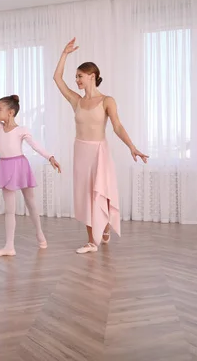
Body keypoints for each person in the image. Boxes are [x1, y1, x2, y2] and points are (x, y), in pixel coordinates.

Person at [53, 38, 148, 254]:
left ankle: (103, 226)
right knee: (85, 195)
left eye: (79, 76)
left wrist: (132, 147)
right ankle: (91, 241)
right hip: (80, 151)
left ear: (92, 76)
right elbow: (57, 78)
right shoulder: (76, 101)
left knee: (99, 191)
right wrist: (64, 54)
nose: (76, 80)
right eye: (76, 76)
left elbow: (117, 126)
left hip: (98, 151)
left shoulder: (107, 100)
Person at [0, 76, 61, 256]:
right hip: (5, 167)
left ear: (11, 113)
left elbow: (36, 146)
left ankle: (40, 234)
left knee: (31, 203)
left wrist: (50, 157)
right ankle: (9, 246)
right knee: (10, 209)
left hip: (21, 166)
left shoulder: (22, 130)